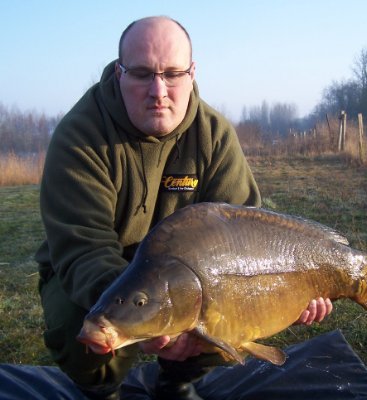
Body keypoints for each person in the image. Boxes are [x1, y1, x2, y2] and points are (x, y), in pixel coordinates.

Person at [35, 16, 332, 400]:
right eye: (142, 74)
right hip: (101, 268)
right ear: (118, 72)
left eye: (173, 74)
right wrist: (146, 323)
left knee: (233, 307)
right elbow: (82, 249)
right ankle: (101, 388)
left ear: (192, 73)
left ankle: (178, 382)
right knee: (81, 321)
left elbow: (247, 239)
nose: (159, 91)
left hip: (188, 273)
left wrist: (299, 287)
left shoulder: (214, 135)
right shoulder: (80, 136)